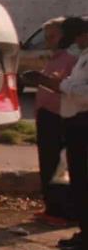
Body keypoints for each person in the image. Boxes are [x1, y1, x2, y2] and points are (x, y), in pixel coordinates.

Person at [27, 16, 88, 250]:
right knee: (79, 184)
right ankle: (84, 234)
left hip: (84, 124)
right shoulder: (83, 56)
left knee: (83, 183)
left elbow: (83, 93)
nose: (75, 41)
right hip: (74, 124)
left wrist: (57, 85)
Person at [33, 18, 77, 225]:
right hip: (46, 115)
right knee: (47, 163)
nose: (49, 41)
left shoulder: (71, 60)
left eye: (53, 36)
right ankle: (51, 207)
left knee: (58, 165)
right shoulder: (53, 59)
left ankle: (61, 211)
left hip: (59, 117)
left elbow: (68, 89)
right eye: (47, 37)